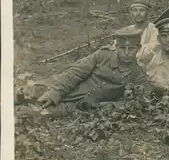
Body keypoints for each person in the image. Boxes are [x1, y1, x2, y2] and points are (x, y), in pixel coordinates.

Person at [21, 27, 154, 118]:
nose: (126, 53)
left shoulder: (138, 74)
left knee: (33, 113)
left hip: (79, 106)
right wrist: (54, 93)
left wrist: (112, 106)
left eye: (131, 48)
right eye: (122, 48)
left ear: (139, 48)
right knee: (23, 94)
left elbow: (138, 101)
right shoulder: (103, 55)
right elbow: (74, 74)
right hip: (63, 87)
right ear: (116, 46)